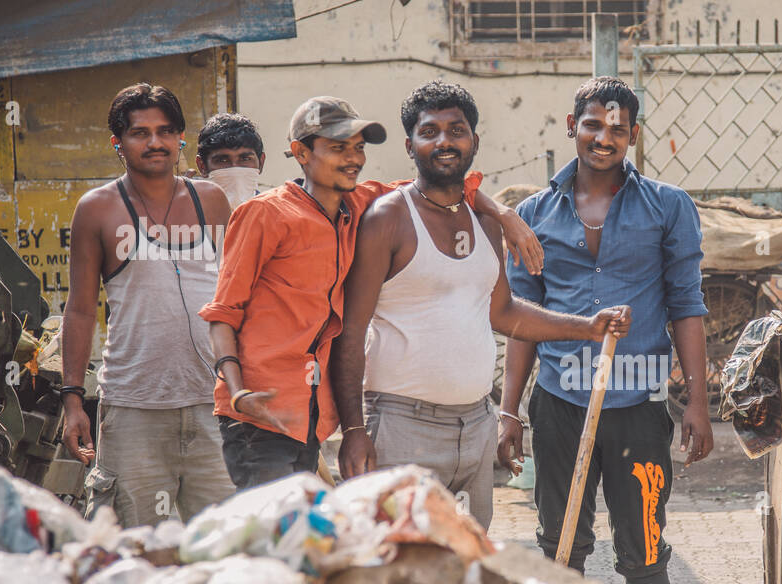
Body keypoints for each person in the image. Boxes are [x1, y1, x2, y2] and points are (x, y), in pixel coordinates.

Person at [200, 95, 544, 489]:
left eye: (358, 147)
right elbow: (222, 313)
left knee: (301, 524)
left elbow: (444, 185)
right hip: (257, 414)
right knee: (274, 521)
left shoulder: (360, 203)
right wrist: (237, 391)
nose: (353, 159)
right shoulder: (265, 214)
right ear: (301, 153)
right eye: (337, 148)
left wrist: (504, 214)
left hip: (310, 413)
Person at [331, 82, 630, 529]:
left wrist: (587, 327)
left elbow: (503, 313)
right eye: (429, 132)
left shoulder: (486, 222)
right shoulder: (388, 218)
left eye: (456, 130)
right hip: (399, 426)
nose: (444, 141)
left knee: (468, 558)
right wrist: (354, 430)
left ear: (474, 141)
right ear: (410, 146)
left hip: (475, 427)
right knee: (400, 560)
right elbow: (351, 333)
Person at [498, 77, 713, 584]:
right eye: (592, 125)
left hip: (640, 402)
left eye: (617, 129)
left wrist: (699, 403)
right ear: (573, 126)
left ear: (633, 135)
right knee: (561, 545)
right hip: (560, 402)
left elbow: (686, 306)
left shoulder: (668, 207)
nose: (603, 138)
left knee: (644, 548)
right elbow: (522, 319)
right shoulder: (533, 215)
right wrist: (509, 411)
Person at [61, 82, 235, 526]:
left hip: (213, 404)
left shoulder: (211, 200)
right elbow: (80, 309)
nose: (155, 142)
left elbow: (238, 298)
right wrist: (73, 400)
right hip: (134, 407)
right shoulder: (98, 209)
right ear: (117, 143)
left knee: (225, 541)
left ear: (181, 138)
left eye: (165, 131)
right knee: (134, 544)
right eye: (140, 132)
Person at [196, 113, 265, 208]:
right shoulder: (188, 213)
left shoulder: (274, 213)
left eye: (245, 159)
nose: (235, 168)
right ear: (202, 166)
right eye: (223, 160)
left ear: (261, 163)